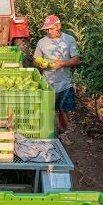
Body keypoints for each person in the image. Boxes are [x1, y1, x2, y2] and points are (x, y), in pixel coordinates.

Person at [33, 15, 80, 145]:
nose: (48, 32)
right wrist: (39, 64)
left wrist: (62, 64)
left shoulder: (69, 40)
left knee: (64, 111)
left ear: (58, 26)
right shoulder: (42, 42)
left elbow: (76, 59)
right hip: (47, 83)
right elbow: (36, 59)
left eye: (51, 29)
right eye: (47, 29)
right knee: (47, 111)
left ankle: (63, 133)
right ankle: (47, 136)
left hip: (65, 83)